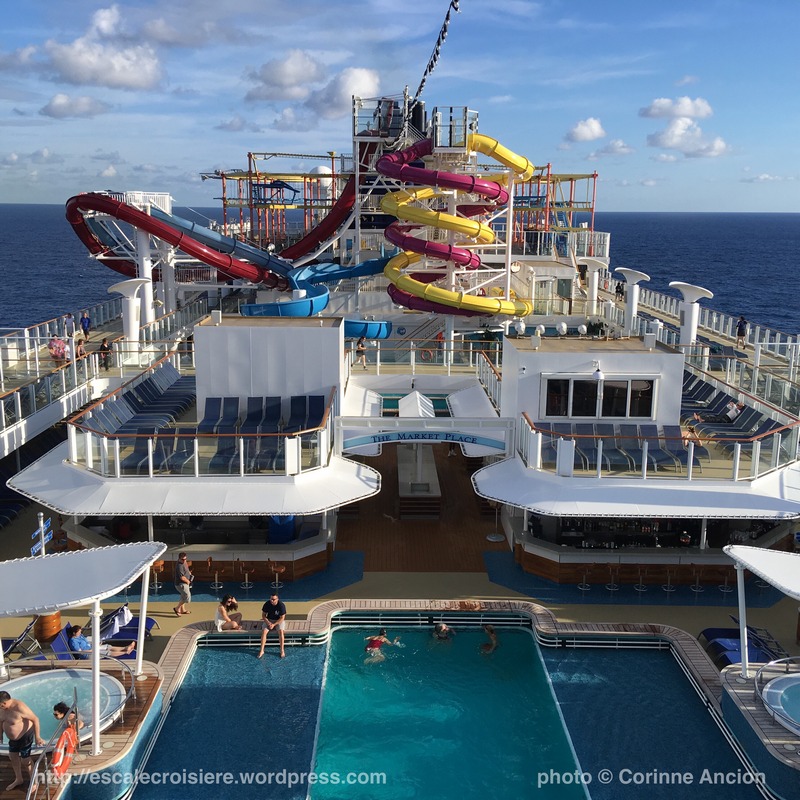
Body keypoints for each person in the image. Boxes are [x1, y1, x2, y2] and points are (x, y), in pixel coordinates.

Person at [0, 691, 45, 791]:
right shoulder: (2, 709)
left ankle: (34, 781)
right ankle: (18, 779)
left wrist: (38, 737)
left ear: (4, 703)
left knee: (25, 760)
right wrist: (0, 736)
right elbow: (1, 721)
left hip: (25, 736)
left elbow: (35, 719)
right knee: (13, 757)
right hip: (13, 739)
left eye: (1, 706)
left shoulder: (19, 707)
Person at [67, 625, 135, 658]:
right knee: (106, 652)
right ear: (74, 633)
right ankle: (126, 652)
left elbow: (87, 639)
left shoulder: (80, 636)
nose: (80, 633)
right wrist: (91, 651)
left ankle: (126, 647)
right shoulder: (73, 641)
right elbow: (80, 652)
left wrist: (97, 642)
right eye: (79, 632)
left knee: (108, 646)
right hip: (88, 654)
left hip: (92, 648)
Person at [258, 593, 287, 658]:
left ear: (277, 599)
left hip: (278, 620)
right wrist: (268, 623)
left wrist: (274, 624)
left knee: (281, 632)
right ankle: (262, 650)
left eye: (273, 599)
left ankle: (282, 650)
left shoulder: (281, 605)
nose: (272, 601)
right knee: (264, 632)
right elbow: (263, 615)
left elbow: (282, 618)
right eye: (271, 599)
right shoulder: (267, 604)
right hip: (269, 620)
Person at [173, 552, 193, 616]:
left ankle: (182, 610)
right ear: (179, 559)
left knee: (183, 595)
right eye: (182, 559)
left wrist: (189, 574)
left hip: (184, 583)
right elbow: (182, 577)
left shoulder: (184, 562)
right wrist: (188, 581)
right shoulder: (179, 566)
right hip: (181, 584)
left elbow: (186, 570)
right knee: (187, 596)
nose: (184, 561)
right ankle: (177, 608)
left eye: (185, 559)